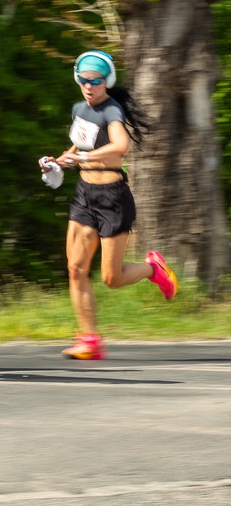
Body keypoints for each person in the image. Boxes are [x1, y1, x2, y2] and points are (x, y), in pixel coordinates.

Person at [38, 50, 177, 360]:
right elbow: (78, 146)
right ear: (77, 79)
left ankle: (153, 268)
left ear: (107, 81)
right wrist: (56, 162)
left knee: (111, 279)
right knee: (75, 268)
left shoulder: (112, 110)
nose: (89, 86)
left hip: (112, 198)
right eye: (84, 80)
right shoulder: (79, 109)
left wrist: (84, 157)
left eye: (96, 81)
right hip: (84, 195)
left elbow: (120, 145)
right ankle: (90, 340)